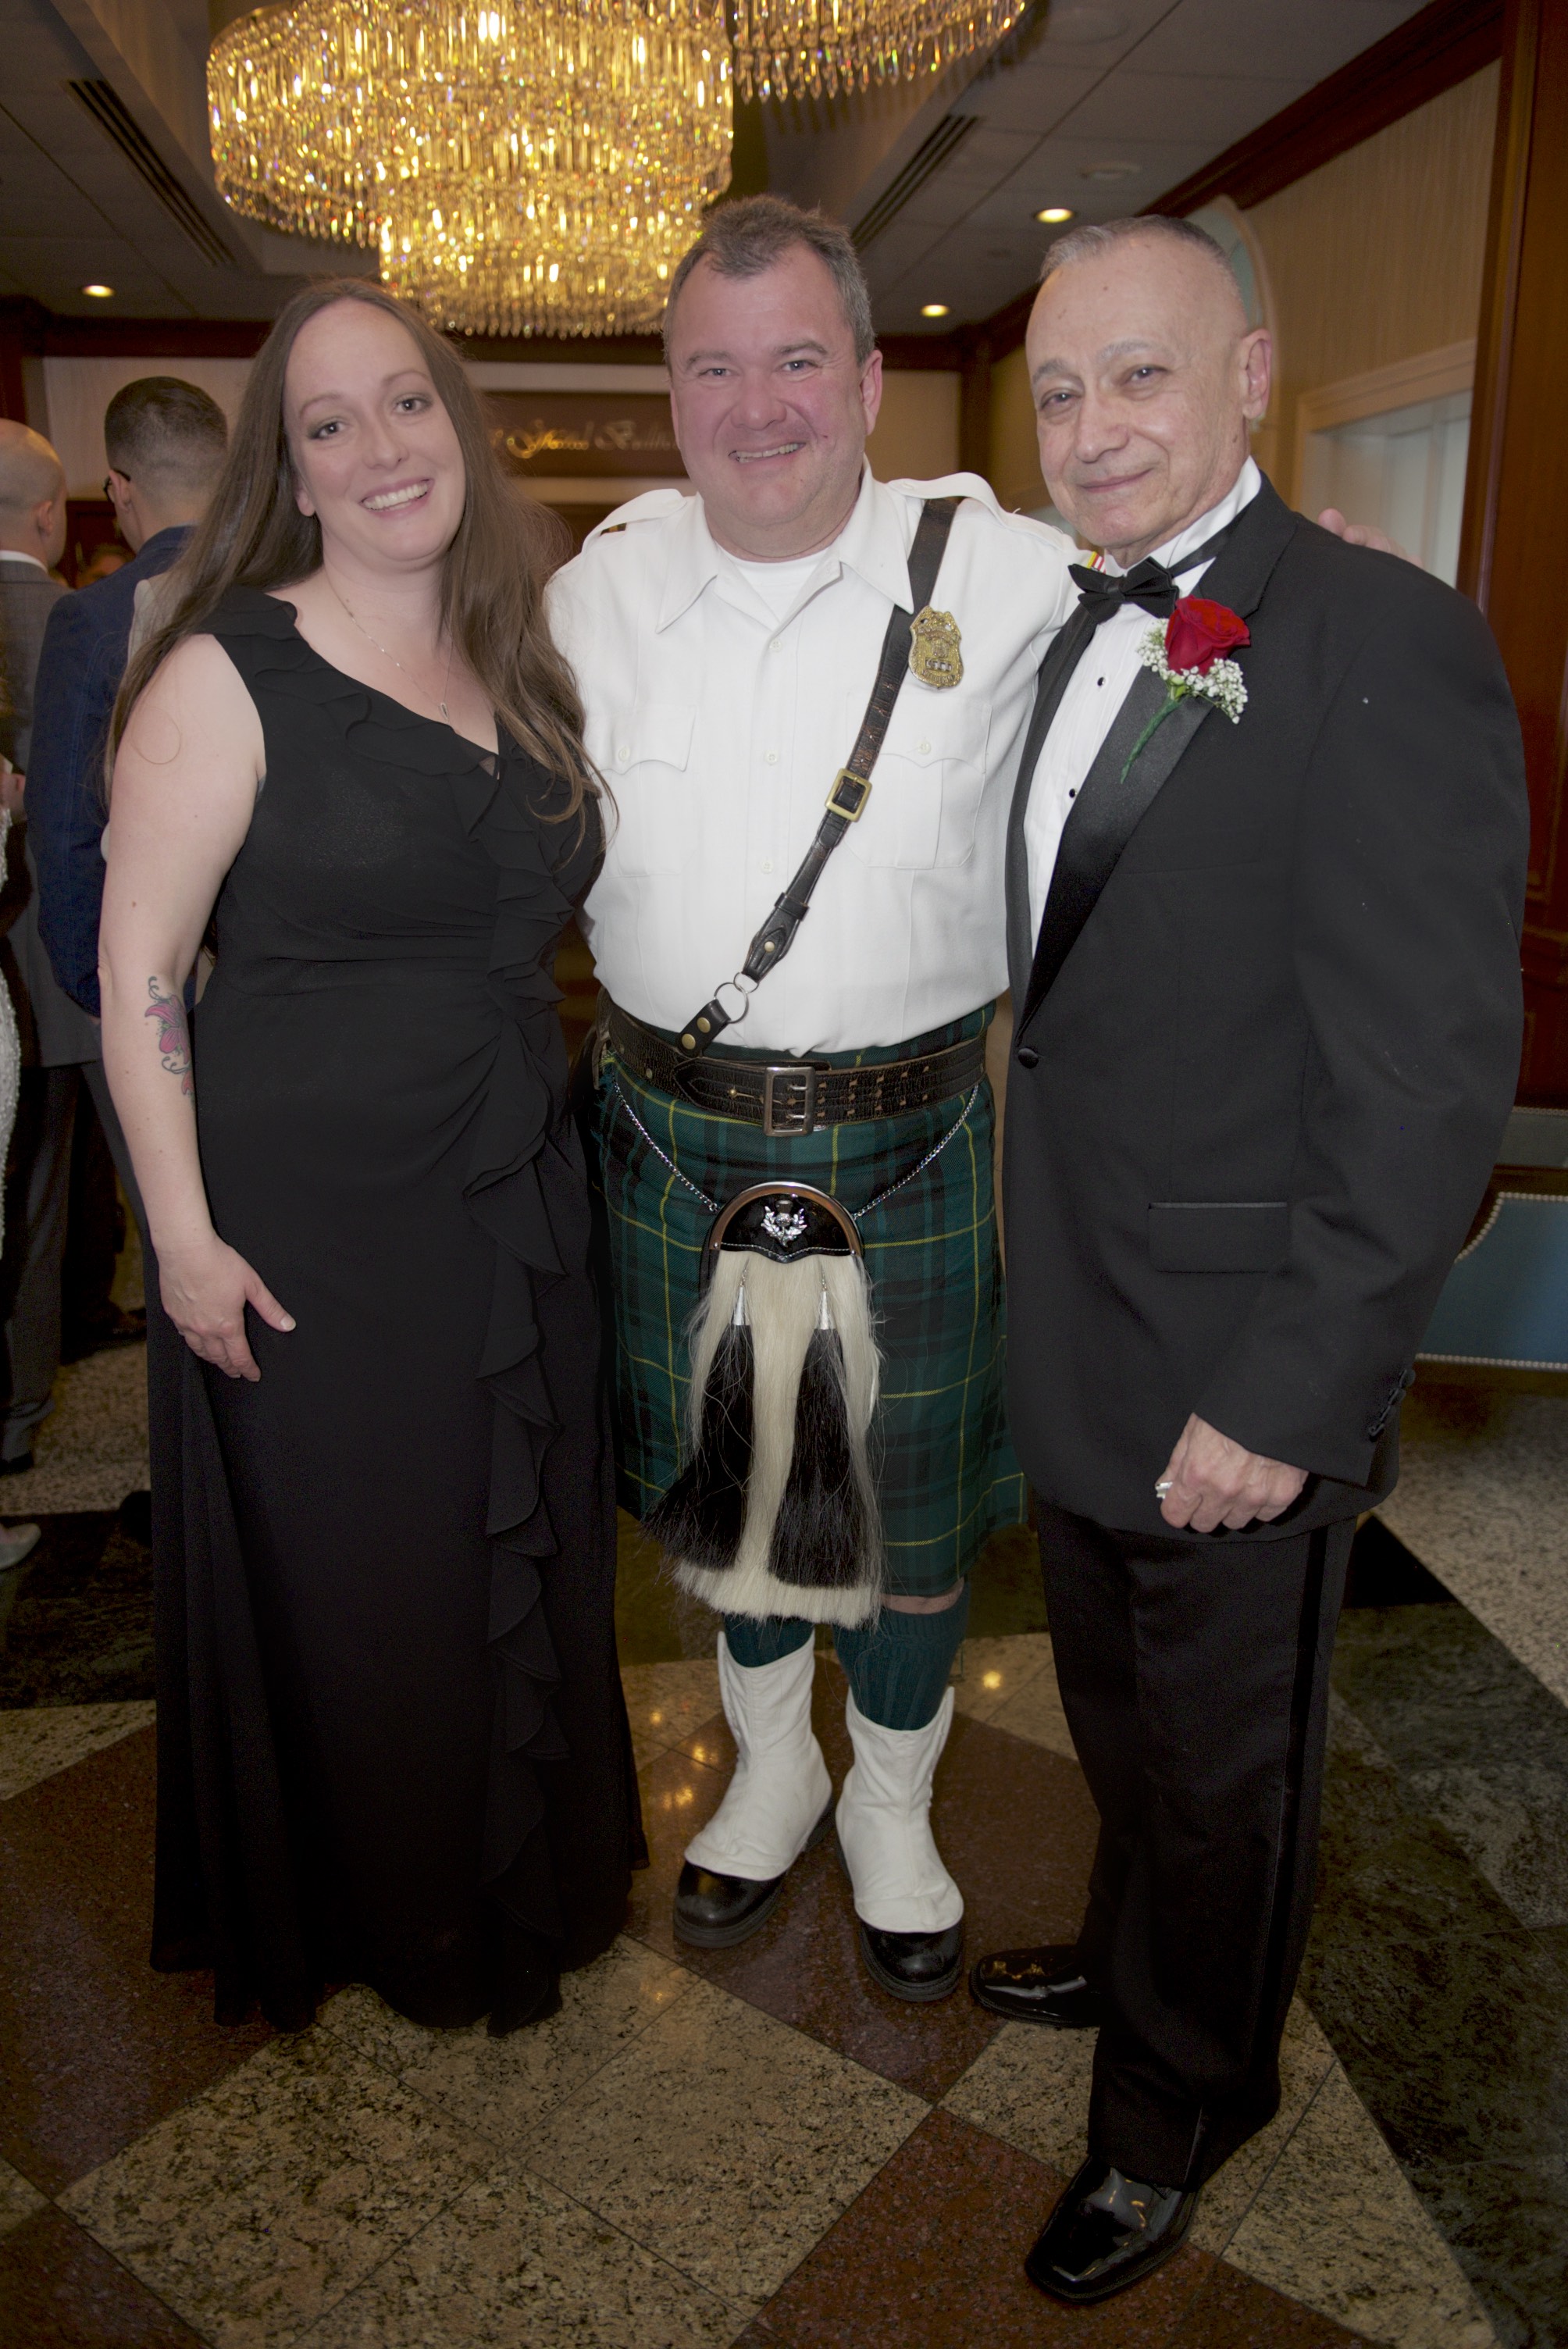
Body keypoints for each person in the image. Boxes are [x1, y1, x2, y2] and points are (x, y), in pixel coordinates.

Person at [970, 216, 1527, 2303]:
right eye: (1059, 390)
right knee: (1123, 1726)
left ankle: (1178, 2104)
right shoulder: (1068, 631)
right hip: (1084, 1311)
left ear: (1251, 379)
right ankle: (1136, 1964)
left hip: (1236, 1359)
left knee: (1224, 1777)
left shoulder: (1381, 636)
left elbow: (1423, 1083)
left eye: (1139, 375)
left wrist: (1288, 1392)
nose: (1092, 427)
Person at [550, 197, 1085, 2003]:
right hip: (666, 1131)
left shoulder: (1000, 572)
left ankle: (891, 1804)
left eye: (795, 360)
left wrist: (1307, 585)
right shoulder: (592, 590)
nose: (755, 404)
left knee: (909, 1524)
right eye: (712, 368)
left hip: (911, 1138)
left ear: (864, 381)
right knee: (738, 1500)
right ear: (670, 396)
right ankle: (773, 1771)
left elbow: (1193, 627)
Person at [98, 280, 642, 2034]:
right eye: (329, 423)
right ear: (294, 468)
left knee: (513, 1539)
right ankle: (389, 1909)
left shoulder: (520, 651)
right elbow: (139, 970)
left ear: (455, 424)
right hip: (313, 1221)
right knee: (371, 1576)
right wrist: (180, 1234)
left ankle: (514, 1886)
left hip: (512, 1182)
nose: (380, 447)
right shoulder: (224, 666)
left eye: (406, 402)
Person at [0, 419, 105, 1474]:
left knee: (19, 1198)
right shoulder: (75, 619)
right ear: (48, 515)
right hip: (83, 946)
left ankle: (14, 1419)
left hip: (9, 958)